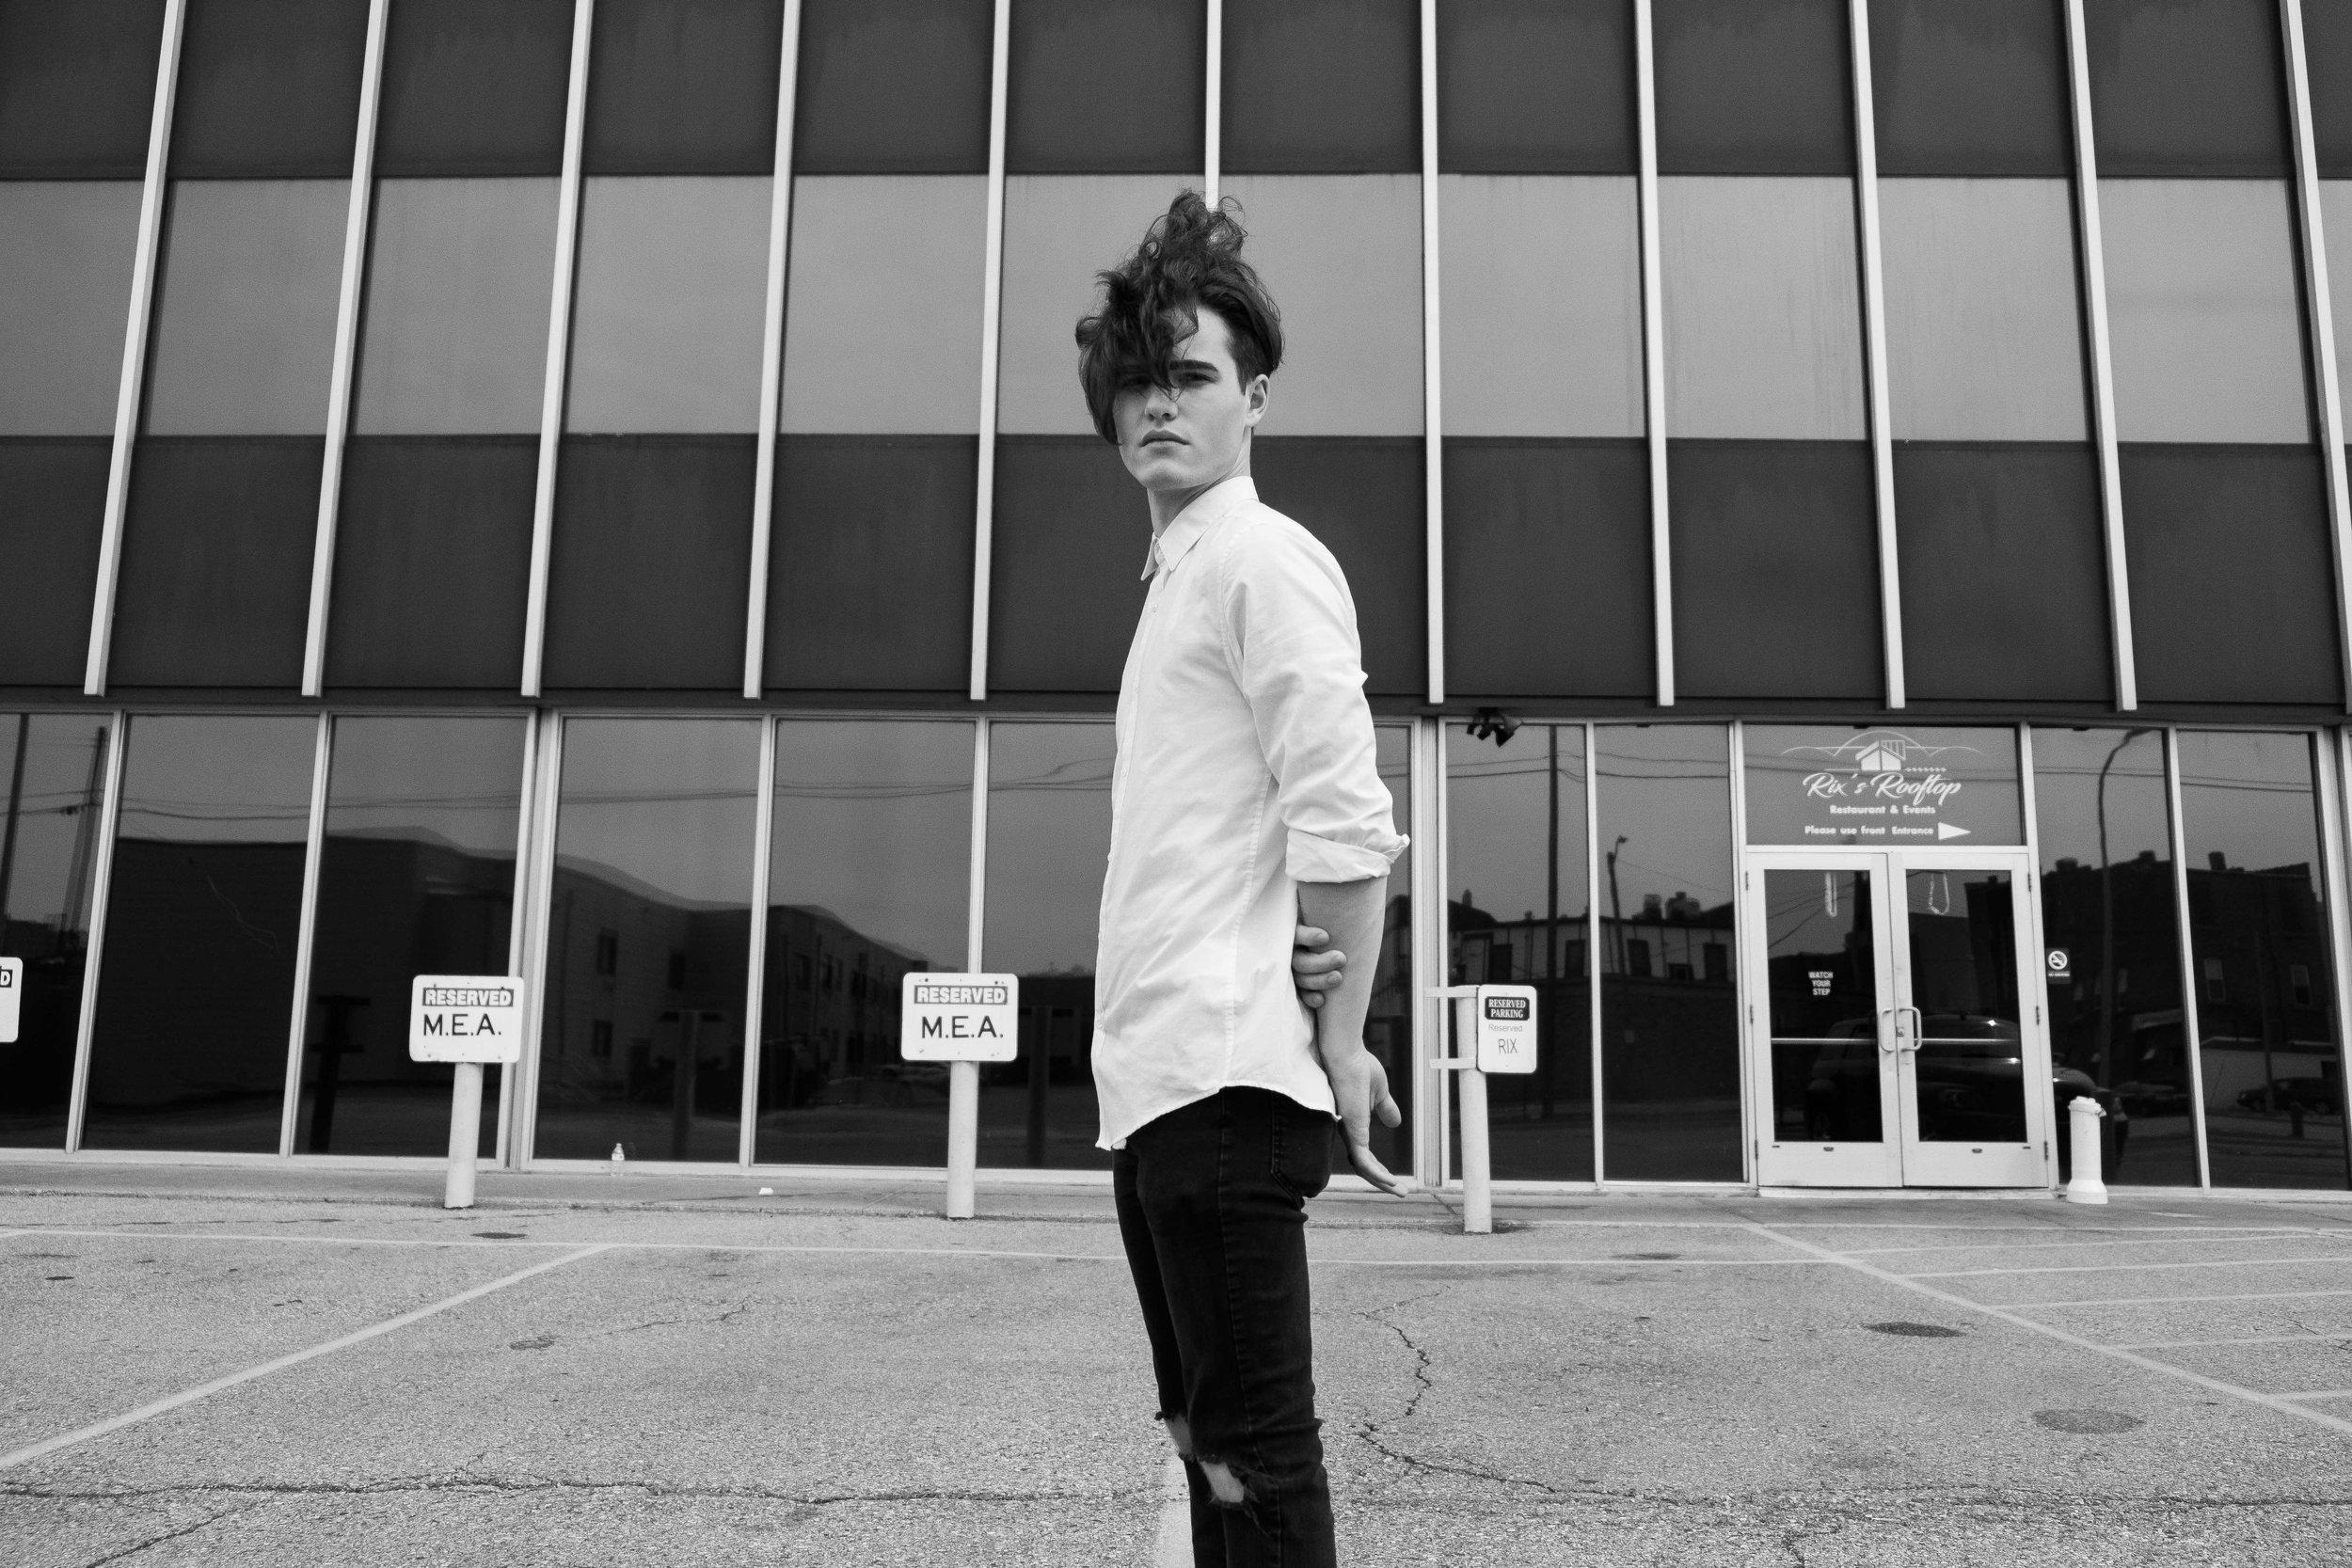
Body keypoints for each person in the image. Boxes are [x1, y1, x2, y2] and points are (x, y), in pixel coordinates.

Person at [1077, 190, 1408, 1567]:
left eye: (1193, 376)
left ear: (1254, 395)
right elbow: (1241, 848)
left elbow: (1345, 819)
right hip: (1162, 1092)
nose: (1162, 404)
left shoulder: (1262, 558)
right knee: (1206, 1454)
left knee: (1256, 1471)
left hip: (1227, 1091)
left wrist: (1340, 1037)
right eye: (1139, 381)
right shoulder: (1177, 578)